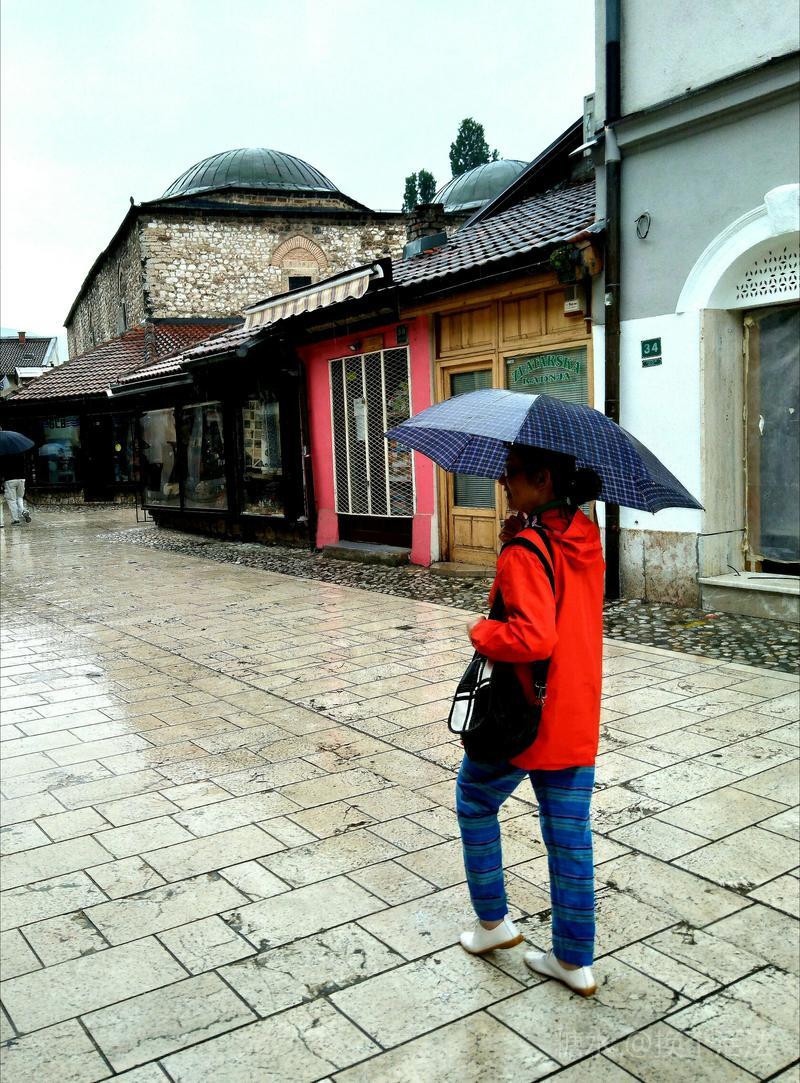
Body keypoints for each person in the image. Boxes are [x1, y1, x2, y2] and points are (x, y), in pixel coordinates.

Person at [456, 443, 604, 997]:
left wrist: (481, 630)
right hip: (576, 710)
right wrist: (519, 542)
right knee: (569, 838)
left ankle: (493, 923)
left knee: (475, 800)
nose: (502, 482)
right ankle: (573, 959)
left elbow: (532, 637)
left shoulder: (527, 549)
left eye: (511, 474)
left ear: (542, 480)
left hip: (524, 717)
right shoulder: (584, 537)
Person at [0, 450, 31, 526]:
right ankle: (23, 511)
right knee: (19, 498)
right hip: (21, 479)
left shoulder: (4, 455)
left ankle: (16, 520)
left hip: (10, 480)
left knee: (12, 500)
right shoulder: (21, 453)